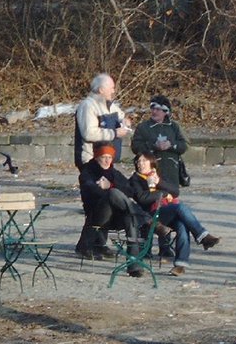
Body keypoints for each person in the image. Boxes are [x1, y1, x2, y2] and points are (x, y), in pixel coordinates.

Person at [126, 152, 218, 276]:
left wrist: (159, 182)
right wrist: (162, 194)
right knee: (180, 207)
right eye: (138, 162)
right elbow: (142, 198)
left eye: (144, 161)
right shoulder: (135, 179)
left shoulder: (159, 175)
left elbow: (175, 191)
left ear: (151, 162)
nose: (140, 164)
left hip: (167, 211)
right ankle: (202, 236)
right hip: (151, 215)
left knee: (182, 225)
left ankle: (180, 265)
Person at [76, 143, 143, 274]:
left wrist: (111, 185)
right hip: (96, 214)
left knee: (130, 218)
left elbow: (130, 190)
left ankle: (133, 264)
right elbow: (91, 191)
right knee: (113, 194)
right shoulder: (88, 172)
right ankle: (146, 218)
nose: (107, 160)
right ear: (96, 157)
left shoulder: (114, 173)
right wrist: (110, 189)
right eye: (103, 157)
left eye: (110, 157)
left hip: (116, 216)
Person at [130, 94, 189, 189]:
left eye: (158, 109)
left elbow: (184, 145)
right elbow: (135, 147)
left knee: (172, 197)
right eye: (152, 108)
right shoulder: (143, 127)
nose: (154, 111)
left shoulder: (174, 127)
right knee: (153, 197)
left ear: (165, 112)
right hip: (150, 170)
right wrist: (153, 146)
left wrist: (171, 145)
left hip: (171, 170)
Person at [74, 73, 131, 167]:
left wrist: (125, 121)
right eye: (111, 88)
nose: (113, 91)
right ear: (101, 90)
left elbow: (121, 116)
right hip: (91, 161)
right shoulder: (88, 106)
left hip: (108, 160)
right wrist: (114, 133)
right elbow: (89, 133)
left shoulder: (109, 105)